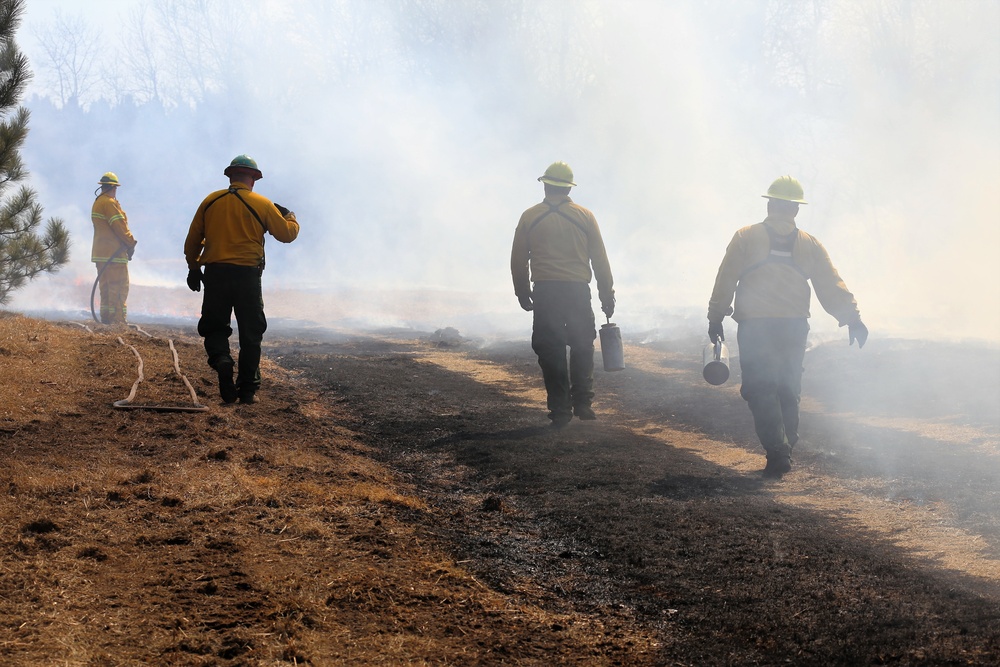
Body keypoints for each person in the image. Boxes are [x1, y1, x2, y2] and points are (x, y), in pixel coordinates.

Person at [707, 176, 868, 478]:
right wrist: (853, 318)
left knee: (760, 388)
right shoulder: (810, 244)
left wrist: (715, 317)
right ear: (795, 210)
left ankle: (778, 450)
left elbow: (725, 279)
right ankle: (786, 447)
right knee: (787, 388)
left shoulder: (745, 237)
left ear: (770, 204)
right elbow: (830, 283)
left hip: (756, 326)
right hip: (795, 326)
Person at [183, 155, 300, 405]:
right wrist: (290, 216)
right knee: (251, 332)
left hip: (215, 274)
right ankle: (247, 390)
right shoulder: (262, 203)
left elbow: (192, 241)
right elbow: (287, 235)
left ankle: (223, 361)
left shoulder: (210, 201)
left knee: (214, 327)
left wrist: (194, 268)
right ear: (254, 180)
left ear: (230, 176)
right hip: (247, 276)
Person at [510, 161, 616, 428]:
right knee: (582, 345)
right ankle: (583, 402)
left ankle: (560, 409)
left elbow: (518, 259)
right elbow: (600, 261)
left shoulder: (530, 216)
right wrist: (607, 295)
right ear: (569, 188)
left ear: (545, 185)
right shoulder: (585, 216)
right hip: (577, 291)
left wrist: (522, 291)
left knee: (551, 349)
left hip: (546, 292)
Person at [91, 172, 137, 325]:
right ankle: (117, 322)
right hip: (114, 255)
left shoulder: (98, 202)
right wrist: (131, 242)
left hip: (101, 254)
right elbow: (120, 226)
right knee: (118, 287)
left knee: (106, 288)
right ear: (113, 187)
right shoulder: (109, 203)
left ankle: (106, 318)